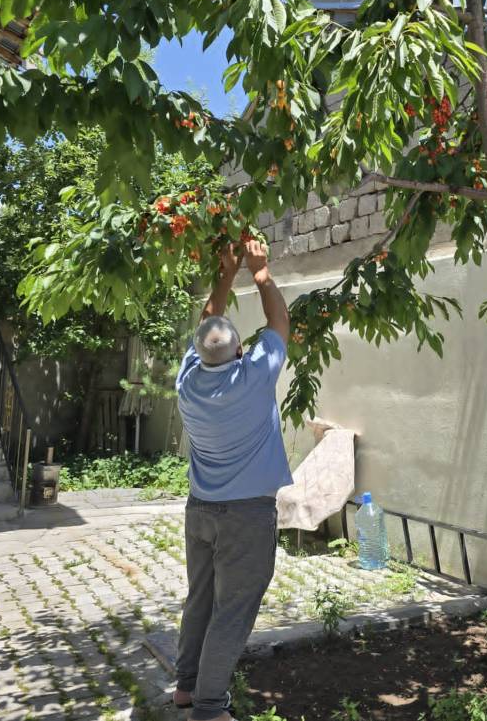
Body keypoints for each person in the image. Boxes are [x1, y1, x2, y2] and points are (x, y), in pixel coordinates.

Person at [173, 238, 292, 721]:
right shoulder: (253, 377)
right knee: (232, 610)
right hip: (246, 517)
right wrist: (259, 272)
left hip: (200, 510)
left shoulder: (187, 380)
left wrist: (225, 274)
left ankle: (186, 687)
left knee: (200, 599)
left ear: (199, 353)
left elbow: (208, 327)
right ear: (242, 350)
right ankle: (208, 707)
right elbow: (281, 324)